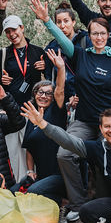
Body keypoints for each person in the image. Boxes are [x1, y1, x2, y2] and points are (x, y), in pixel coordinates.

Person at [31, 0, 111, 216]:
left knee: (107, 157)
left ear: (108, 36)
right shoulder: (80, 55)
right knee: (64, 155)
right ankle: (78, 203)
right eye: (94, 33)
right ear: (88, 36)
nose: (98, 37)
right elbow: (63, 40)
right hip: (85, 120)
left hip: (108, 123)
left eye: (102, 33)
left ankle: (104, 202)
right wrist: (46, 21)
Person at [13, 49, 69, 202]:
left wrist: (60, 68)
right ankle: (58, 200)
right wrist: (30, 171)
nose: (43, 96)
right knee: (12, 192)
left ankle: (62, 200)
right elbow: (29, 149)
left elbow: (59, 91)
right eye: (39, 92)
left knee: (32, 192)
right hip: (41, 176)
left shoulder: (56, 112)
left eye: (47, 93)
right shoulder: (32, 116)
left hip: (59, 175)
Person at [0, 15, 47, 178]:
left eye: (14, 30)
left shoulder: (38, 52)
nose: (12, 34)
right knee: (14, 152)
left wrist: (45, 68)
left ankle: (37, 183)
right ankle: (20, 186)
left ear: (22, 28)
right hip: (11, 111)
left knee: (33, 149)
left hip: (32, 110)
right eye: (8, 32)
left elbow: (47, 82)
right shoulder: (3, 54)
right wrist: (2, 81)